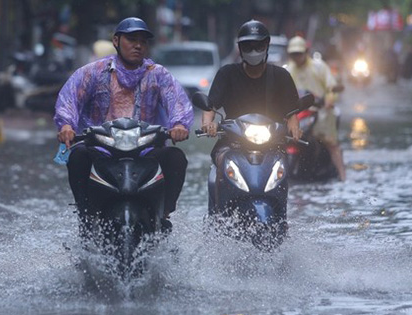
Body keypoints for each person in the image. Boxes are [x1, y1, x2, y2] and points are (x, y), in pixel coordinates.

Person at [54, 17, 194, 228]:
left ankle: (164, 212)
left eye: (143, 41)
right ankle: (86, 215)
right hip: (102, 150)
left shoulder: (158, 75)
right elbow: (70, 98)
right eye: (131, 39)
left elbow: (177, 102)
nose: (138, 45)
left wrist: (180, 125)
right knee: (78, 156)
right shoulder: (93, 72)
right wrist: (66, 126)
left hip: (145, 151)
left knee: (176, 158)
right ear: (116, 41)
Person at [201, 20, 301, 175]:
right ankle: (219, 196)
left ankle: (280, 198)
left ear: (267, 46)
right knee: (221, 160)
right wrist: (208, 124)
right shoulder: (226, 74)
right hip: (232, 142)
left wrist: (294, 129)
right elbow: (210, 107)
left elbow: (292, 113)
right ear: (240, 49)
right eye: (248, 46)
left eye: (258, 46)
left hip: (273, 143)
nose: (253, 51)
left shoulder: (282, 76)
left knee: (284, 169)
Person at [286, 35, 346, 181]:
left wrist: (329, 100)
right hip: (298, 113)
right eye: (293, 54)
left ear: (305, 52)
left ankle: (343, 176)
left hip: (320, 111)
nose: (296, 57)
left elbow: (331, 86)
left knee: (331, 143)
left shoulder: (319, 67)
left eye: (299, 53)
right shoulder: (288, 69)